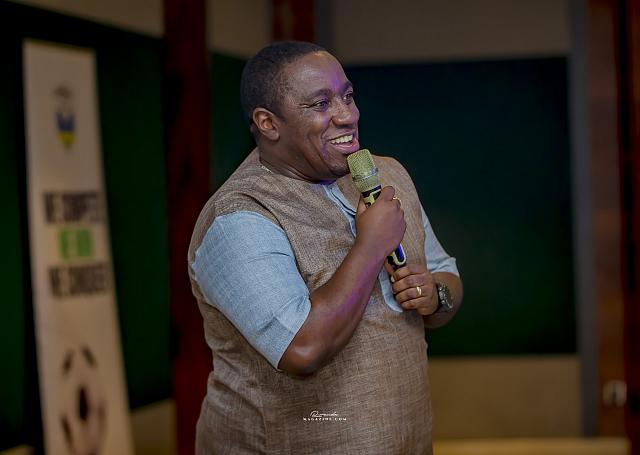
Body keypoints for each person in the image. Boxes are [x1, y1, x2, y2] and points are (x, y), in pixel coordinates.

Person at [188, 41, 462, 454]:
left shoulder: (386, 174)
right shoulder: (237, 217)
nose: (347, 115)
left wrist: (435, 295)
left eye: (347, 96)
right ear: (268, 123)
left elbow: (447, 276)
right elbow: (302, 349)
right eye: (320, 104)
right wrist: (371, 246)